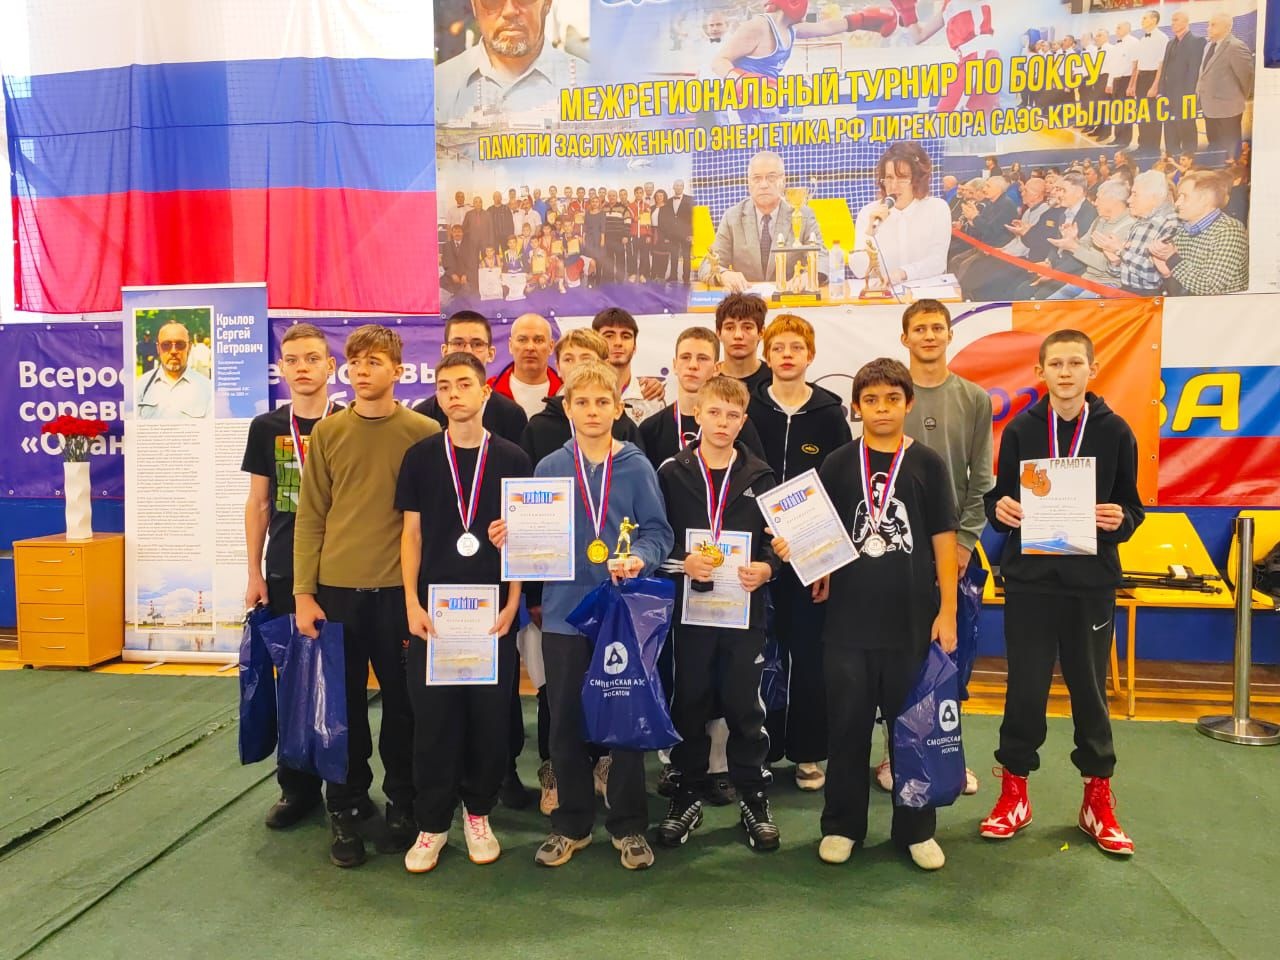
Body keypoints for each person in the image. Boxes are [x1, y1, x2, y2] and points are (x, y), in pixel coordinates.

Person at [774, 357, 957, 870]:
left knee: (912, 732)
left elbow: (944, 541)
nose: (882, 409)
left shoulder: (928, 464)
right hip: (846, 626)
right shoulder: (837, 463)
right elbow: (818, 532)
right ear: (856, 407)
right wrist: (803, 555)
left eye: (892, 399)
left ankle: (916, 829)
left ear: (908, 403)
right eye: (871, 400)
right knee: (847, 731)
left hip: (911, 624)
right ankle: (842, 825)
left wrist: (946, 610)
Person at [497, 361, 673, 870]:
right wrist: (511, 536)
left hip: (620, 614)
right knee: (565, 722)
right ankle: (571, 823)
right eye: (582, 403)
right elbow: (532, 536)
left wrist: (641, 558)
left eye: (602, 402)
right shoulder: (550, 467)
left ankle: (629, 825)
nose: (592, 411)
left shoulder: (636, 466)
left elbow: (658, 532)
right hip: (564, 615)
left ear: (618, 408)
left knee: (623, 720)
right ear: (568, 408)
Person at [981, 330, 1144, 857]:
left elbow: (1132, 508)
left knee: (1090, 691)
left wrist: (1121, 520)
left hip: (1089, 584)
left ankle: (1097, 800)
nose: (1066, 372)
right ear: (1041, 372)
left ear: (1092, 370)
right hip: (1030, 582)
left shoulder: (1115, 431)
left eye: (1076, 363)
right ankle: (1014, 794)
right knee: (1024, 689)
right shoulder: (1021, 429)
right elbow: (999, 499)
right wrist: (1000, 510)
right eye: (1056, 364)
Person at [293, 325, 441, 868]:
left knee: (404, 707)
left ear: (398, 371)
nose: (362, 370)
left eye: (374, 361)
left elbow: (433, 519)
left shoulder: (424, 432)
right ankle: (346, 805)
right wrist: (303, 592)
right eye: (355, 362)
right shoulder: (328, 433)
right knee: (342, 707)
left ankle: (403, 802)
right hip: (336, 594)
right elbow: (310, 516)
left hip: (399, 595)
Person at [396, 352, 532, 873]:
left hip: (492, 612)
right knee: (433, 720)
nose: (454, 394)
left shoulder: (513, 458)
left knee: (489, 719)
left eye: (464, 385)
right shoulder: (420, 457)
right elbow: (411, 535)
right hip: (434, 614)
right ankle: (432, 824)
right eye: (444, 386)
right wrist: (411, 601)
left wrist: (514, 600)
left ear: (484, 393)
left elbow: (523, 539)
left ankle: (478, 813)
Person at [655, 375, 781, 852]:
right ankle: (686, 793)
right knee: (688, 702)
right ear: (698, 415)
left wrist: (768, 569)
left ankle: (753, 795)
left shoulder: (761, 476)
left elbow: (775, 541)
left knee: (744, 706)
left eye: (732, 415)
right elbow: (657, 536)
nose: (723, 422)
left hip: (743, 613)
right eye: (714, 412)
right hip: (690, 614)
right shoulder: (672, 472)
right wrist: (681, 562)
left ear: (743, 421)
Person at [885, 301, 992, 798]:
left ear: (950, 335)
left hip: (956, 551)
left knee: (951, 656)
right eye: (919, 329)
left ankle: (949, 750)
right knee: (898, 656)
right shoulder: (890, 397)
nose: (928, 336)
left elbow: (982, 479)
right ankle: (894, 754)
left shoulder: (974, 398)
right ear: (904, 338)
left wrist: (964, 542)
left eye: (936, 328)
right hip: (897, 550)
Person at [747, 314, 852, 790]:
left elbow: (842, 487)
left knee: (809, 654)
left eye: (796, 347)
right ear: (767, 356)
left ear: (810, 355)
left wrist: (827, 561)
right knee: (759, 654)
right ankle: (761, 749)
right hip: (758, 549)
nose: (787, 355)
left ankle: (809, 752)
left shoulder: (830, 413)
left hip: (812, 552)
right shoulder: (749, 409)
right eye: (779, 348)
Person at [242, 323, 340, 830]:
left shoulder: (347, 422)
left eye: (312, 358)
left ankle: (346, 789)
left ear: (330, 365)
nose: (302, 368)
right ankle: (296, 788)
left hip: (341, 569)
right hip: (283, 569)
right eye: (293, 359)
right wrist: (253, 571)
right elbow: (259, 503)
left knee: (340, 681)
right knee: (293, 683)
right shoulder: (266, 427)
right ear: (281, 367)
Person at [712, 0, 895, 124]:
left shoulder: (790, 29)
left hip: (767, 104)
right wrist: (743, 81)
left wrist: (862, 20)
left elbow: (826, 27)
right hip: (741, 108)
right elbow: (719, 61)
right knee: (744, 160)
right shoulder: (757, 27)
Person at [639, 326, 766, 471]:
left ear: (717, 368)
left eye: (702, 358)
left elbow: (758, 476)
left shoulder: (736, 424)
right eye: (685, 357)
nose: (693, 365)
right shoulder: (650, 429)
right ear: (675, 365)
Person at [435, 0, 584, 122]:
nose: (509, 11)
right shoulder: (437, 88)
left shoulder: (590, 83)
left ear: (547, 3)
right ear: (474, 6)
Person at [700, 150, 824, 291]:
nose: (764, 184)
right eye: (757, 178)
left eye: (771, 177)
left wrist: (809, 276)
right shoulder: (732, 217)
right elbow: (707, 264)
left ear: (783, 181)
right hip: (747, 301)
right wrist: (723, 274)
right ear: (749, 183)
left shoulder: (803, 215)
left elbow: (822, 257)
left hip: (790, 297)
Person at [519, 328, 643, 467]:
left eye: (586, 359)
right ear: (558, 367)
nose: (576, 366)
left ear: (605, 365)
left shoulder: (622, 426)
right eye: (568, 359)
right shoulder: (538, 427)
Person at [414, 312, 527, 445]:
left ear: (491, 354)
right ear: (444, 351)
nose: (467, 351)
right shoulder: (422, 417)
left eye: (477, 344)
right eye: (458, 343)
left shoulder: (512, 415)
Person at [851, 142, 952, 288]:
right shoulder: (868, 212)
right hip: (882, 295)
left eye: (902, 178)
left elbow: (937, 261)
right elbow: (859, 270)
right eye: (889, 177)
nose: (894, 186)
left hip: (925, 294)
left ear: (918, 179)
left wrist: (903, 273)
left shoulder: (937, 208)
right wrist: (869, 233)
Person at [1148, 170, 1248, 296]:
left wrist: (1171, 258)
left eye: (1184, 197)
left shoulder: (1229, 231)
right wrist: (1167, 274)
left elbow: (1208, 287)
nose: (1177, 203)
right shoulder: (1182, 229)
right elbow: (1184, 285)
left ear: (1205, 199)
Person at [1090, 170, 1178, 296]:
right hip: (1127, 291)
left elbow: (1154, 277)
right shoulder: (1139, 222)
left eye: (1135, 194)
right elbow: (1121, 273)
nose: (1129, 200)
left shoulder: (1169, 224)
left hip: (1148, 297)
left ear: (1153, 197)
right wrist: (1115, 262)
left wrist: (1119, 251)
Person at [591, 307, 666, 425]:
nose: (618, 343)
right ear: (594, 343)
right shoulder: (578, 393)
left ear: (635, 346)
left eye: (626, 336)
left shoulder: (651, 397)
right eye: (609, 335)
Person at [1195, 13, 1254, 159]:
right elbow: (1204, 74)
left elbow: (1247, 77)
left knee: (1230, 153)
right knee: (1215, 149)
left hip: (1229, 110)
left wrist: (1238, 98)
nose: (1208, 28)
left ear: (1226, 27)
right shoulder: (1208, 46)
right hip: (1209, 108)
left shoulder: (1236, 46)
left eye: (1213, 25)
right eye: (1208, 24)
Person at [488, 313, 561, 421]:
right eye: (522, 340)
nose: (530, 347)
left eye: (538, 340)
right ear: (510, 345)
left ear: (551, 347)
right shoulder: (488, 392)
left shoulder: (567, 393)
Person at [135, 321, 213, 419]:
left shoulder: (207, 389)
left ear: (189, 347)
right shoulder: (141, 386)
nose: (173, 351)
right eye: (166, 345)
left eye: (180, 344)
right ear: (158, 348)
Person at [1158, 11, 1205, 158]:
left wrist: (1190, 95)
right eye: (1172, 20)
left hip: (1185, 94)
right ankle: (1171, 157)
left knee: (1186, 126)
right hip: (1168, 95)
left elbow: (1194, 71)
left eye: (1176, 20)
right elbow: (1164, 69)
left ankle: (1189, 158)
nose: (1172, 23)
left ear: (1186, 22)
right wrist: (1161, 91)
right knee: (1170, 127)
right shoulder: (1170, 43)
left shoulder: (1197, 41)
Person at [716, 293, 772, 396]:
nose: (738, 335)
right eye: (729, 328)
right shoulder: (708, 379)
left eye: (747, 327)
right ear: (718, 333)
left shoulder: (775, 378)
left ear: (761, 332)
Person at [1132, 11, 1168, 153]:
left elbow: (1161, 64)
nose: (1142, 20)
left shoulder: (1162, 38)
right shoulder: (1142, 39)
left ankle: (1153, 148)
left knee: (1153, 114)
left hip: (1153, 77)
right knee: (1142, 113)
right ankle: (1143, 145)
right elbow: (1139, 65)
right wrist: (1134, 84)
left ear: (1154, 20)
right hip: (1141, 78)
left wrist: (1155, 86)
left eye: (1145, 18)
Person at [663, 180, 695, 283]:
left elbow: (694, 218)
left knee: (686, 256)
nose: (678, 187)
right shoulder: (668, 201)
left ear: (683, 187)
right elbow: (667, 219)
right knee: (673, 256)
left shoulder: (690, 200)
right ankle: (673, 276)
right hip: (673, 234)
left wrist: (691, 234)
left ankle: (686, 278)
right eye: (676, 185)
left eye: (680, 186)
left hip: (686, 234)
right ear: (673, 187)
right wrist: (667, 235)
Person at [441, 224, 472, 299]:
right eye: (455, 232)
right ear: (452, 233)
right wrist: (452, 274)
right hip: (452, 275)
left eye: (459, 232)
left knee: (469, 290)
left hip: (465, 276)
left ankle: (458, 295)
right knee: (441, 282)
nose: (457, 234)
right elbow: (445, 262)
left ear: (462, 233)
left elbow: (472, 262)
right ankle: (456, 294)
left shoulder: (469, 245)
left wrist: (465, 275)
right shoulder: (446, 246)